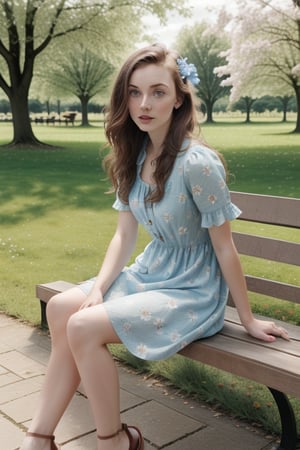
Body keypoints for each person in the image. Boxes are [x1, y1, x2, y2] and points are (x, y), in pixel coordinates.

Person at [19, 43, 289, 450]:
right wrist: (96, 289)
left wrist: (247, 319)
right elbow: (123, 236)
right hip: (151, 274)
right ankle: (39, 438)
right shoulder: (134, 153)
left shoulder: (198, 163)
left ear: (179, 98)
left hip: (192, 290)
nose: (144, 104)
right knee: (61, 308)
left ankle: (114, 440)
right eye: (134, 92)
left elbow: (225, 247)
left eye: (158, 92)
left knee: (82, 326)